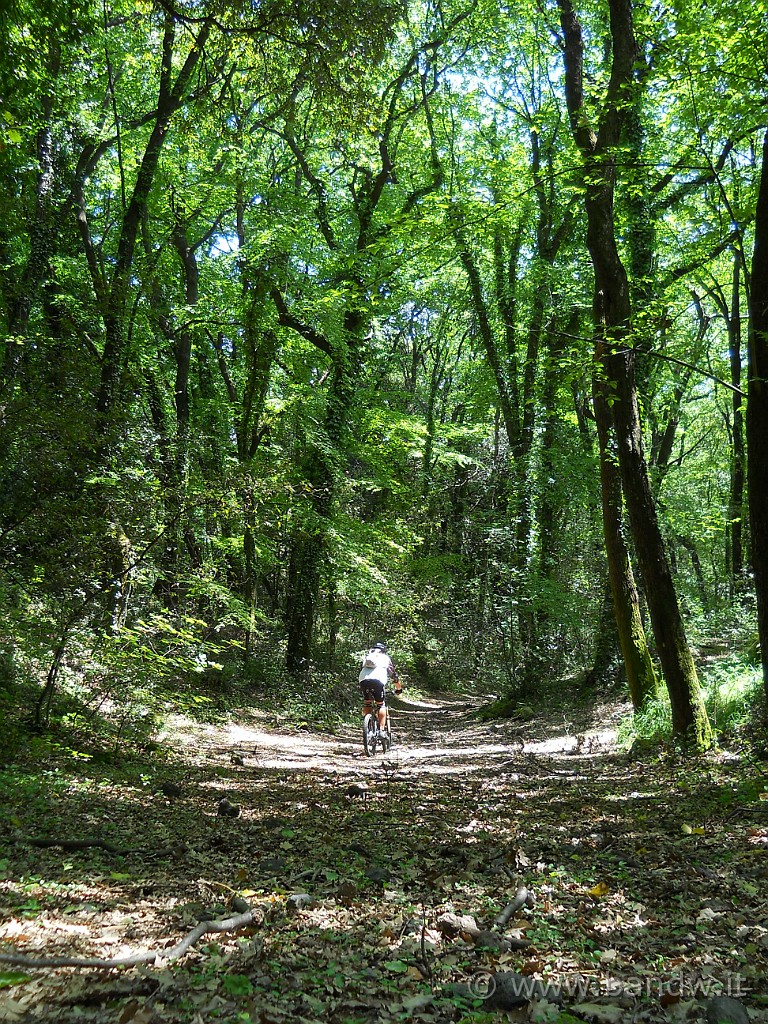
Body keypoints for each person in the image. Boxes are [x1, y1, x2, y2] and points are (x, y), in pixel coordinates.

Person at [358, 642, 402, 735]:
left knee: (367, 702)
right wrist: (398, 688)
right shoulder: (385, 658)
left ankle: (368, 726)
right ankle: (381, 730)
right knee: (381, 705)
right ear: (383, 651)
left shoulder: (367, 656)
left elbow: (362, 669)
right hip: (378, 681)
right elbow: (393, 675)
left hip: (363, 680)